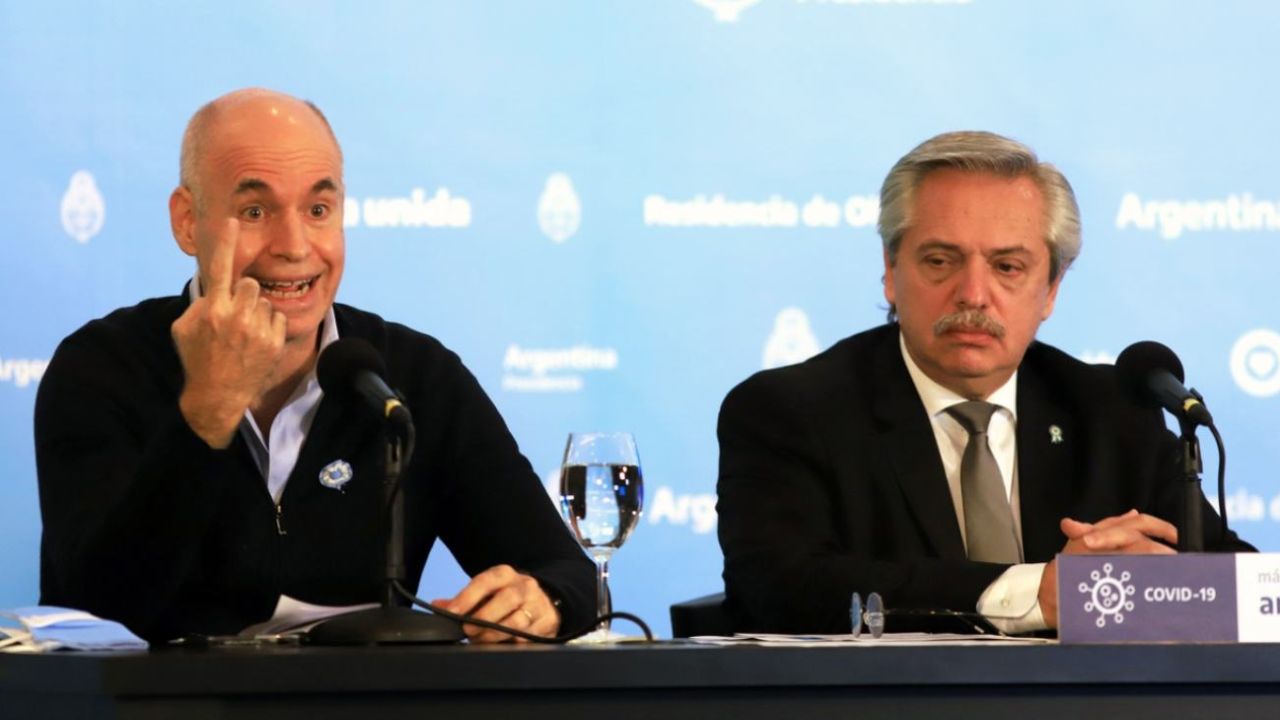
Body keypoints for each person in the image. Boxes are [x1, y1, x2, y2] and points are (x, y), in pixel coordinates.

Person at [34, 88, 594, 644]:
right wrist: (208, 409)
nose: (295, 245)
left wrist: (545, 602)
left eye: (318, 210)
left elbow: (570, 576)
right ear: (187, 221)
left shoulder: (409, 377)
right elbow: (100, 608)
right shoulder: (101, 368)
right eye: (255, 211)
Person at [716, 130, 1252, 635]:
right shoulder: (789, 412)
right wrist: (1035, 592)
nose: (973, 294)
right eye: (940, 260)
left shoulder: (1113, 411)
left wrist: (1176, 583)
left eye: (1008, 267)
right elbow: (778, 586)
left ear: (1051, 290)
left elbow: (1243, 585)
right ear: (890, 270)